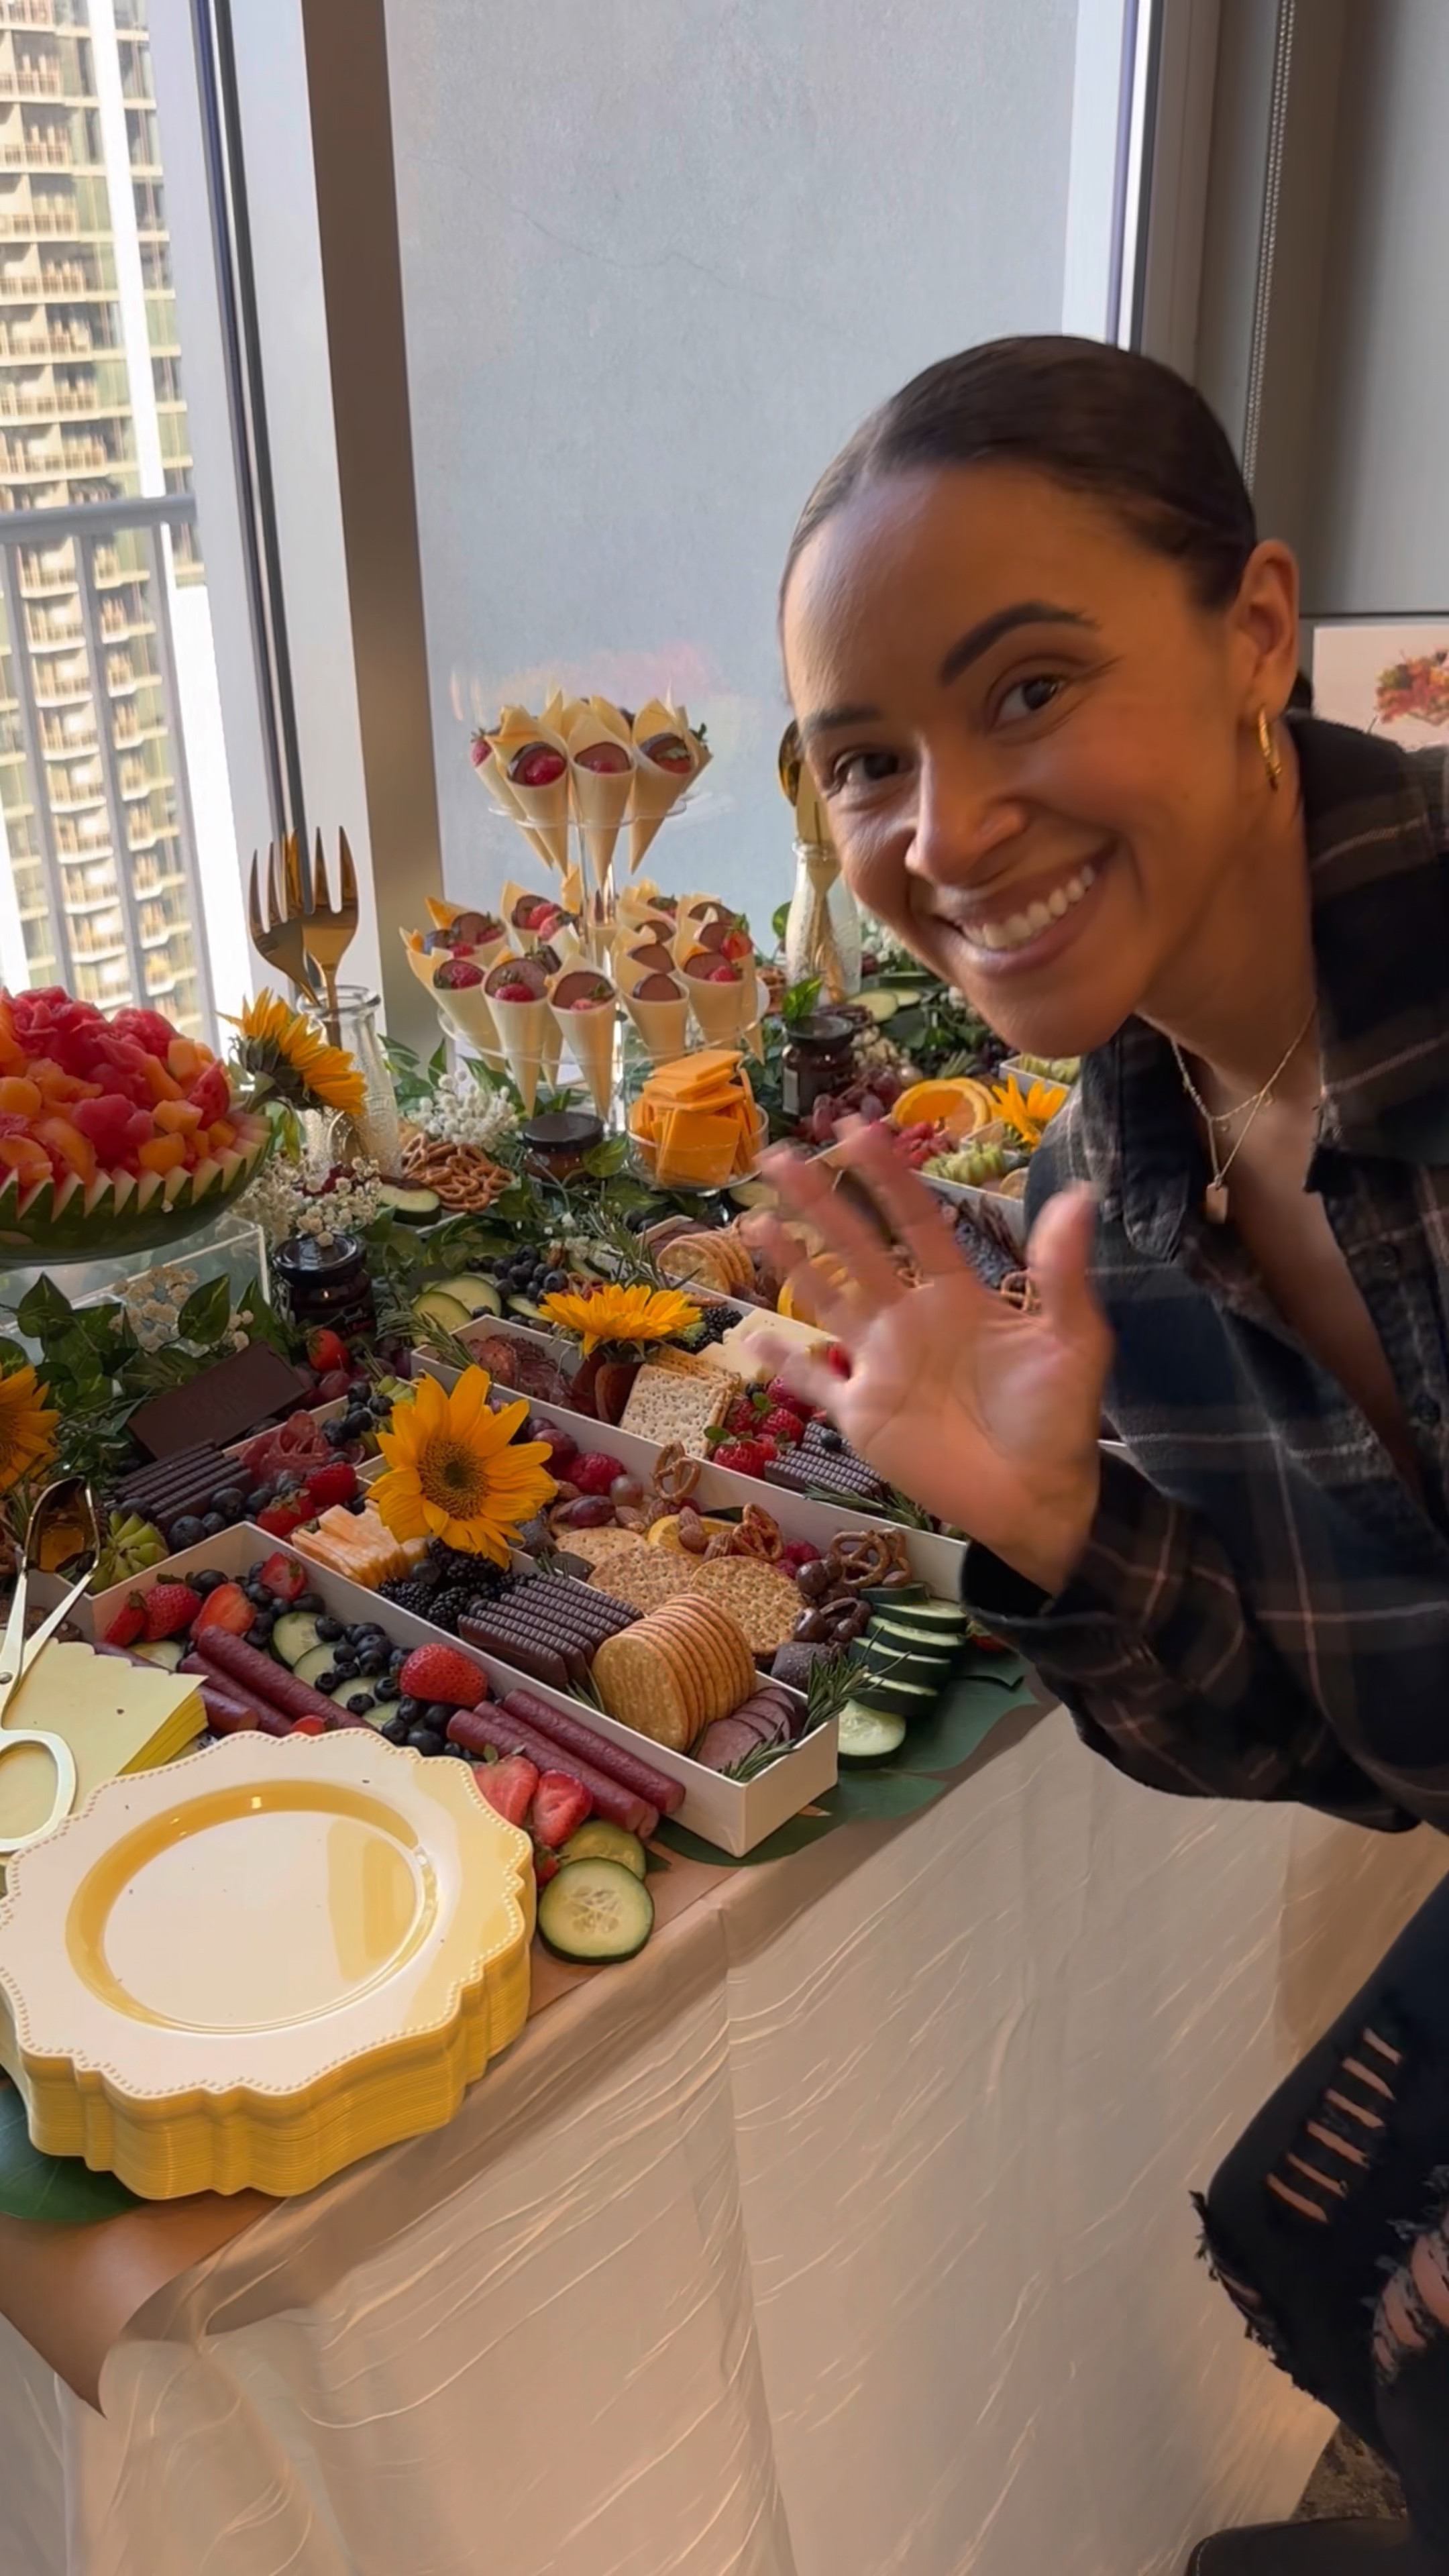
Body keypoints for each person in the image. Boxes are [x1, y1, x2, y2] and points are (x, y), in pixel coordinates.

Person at [754, 335, 1449, 2575]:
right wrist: (1066, 1531)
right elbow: (1343, 1741)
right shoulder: (1114, 1197)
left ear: (1256, 632)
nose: (946, 834)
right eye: (868, 763)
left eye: (1031, 690)